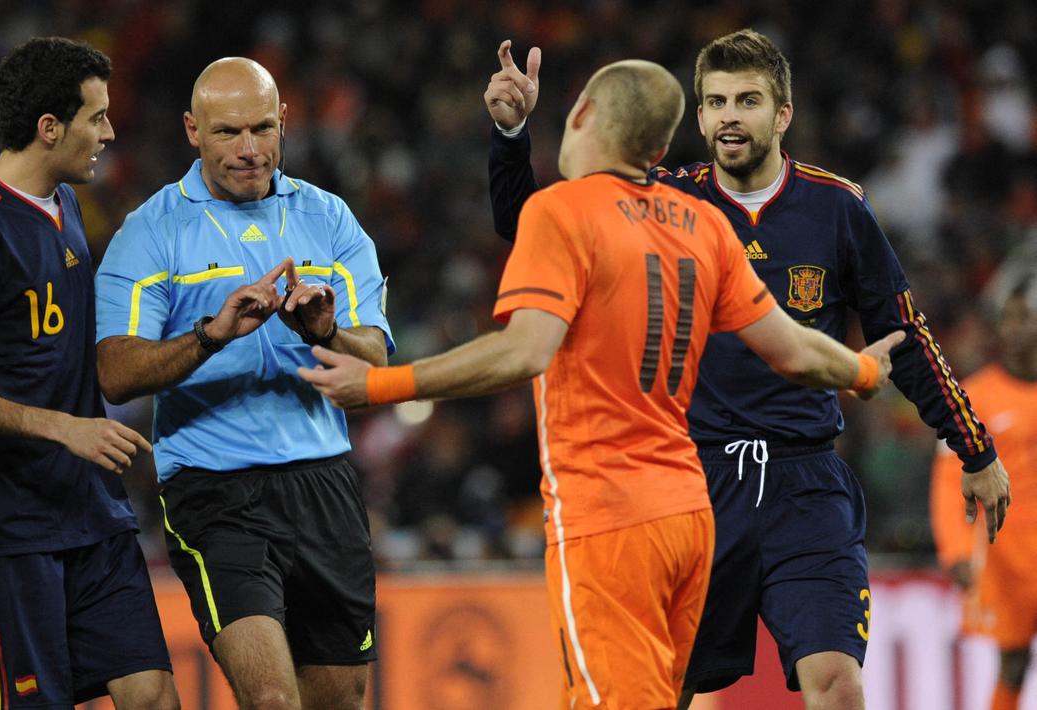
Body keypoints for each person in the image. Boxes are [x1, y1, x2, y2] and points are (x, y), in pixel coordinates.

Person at [300, 58, 906, 710]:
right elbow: (791, 349)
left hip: (607, 521)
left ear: (583, 112)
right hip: (689, 517)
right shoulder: (700, 223)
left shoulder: (560, 212)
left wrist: (381, 384)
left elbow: (523, 352)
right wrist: (865, 370)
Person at [484, 30, 1013, 710]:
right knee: (663, 690)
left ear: (781, 113)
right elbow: (530, 223)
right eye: (715, 103)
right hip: (693, 485)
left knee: (837, 684)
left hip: (806, 484)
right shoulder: (661, 202)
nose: (730, 115)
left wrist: (971, 445)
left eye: (747, 100)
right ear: (698, 117)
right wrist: (510, 136)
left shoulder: (837, 207)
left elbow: (902, 333)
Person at [94, 57, 393, 710]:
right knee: (272, 700)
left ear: (284, 121)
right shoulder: (150, 232)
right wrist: (212, 333)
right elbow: (115, 373)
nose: (250, 150)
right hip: (214, 488)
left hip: (324, 482)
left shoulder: (329, 218)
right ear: (191, 130)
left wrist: (326, 331)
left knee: (340, 696)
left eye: (262, 128)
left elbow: (375, 355)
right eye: (228, 132)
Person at [0, 37, 179, 709]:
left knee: (153, 694)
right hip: (6, 526)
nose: (110, 131)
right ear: (49, 128)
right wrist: (62, 429)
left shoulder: (68, 205)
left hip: (91, 513)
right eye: (95, 117)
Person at [932, 273, 1037, 710]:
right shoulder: (971, 398)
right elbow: (946, 481)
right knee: (1012, 661)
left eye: (1025, 318)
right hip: (1004, 553)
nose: (1015, 329)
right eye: (1008, 319)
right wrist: (956, 551)